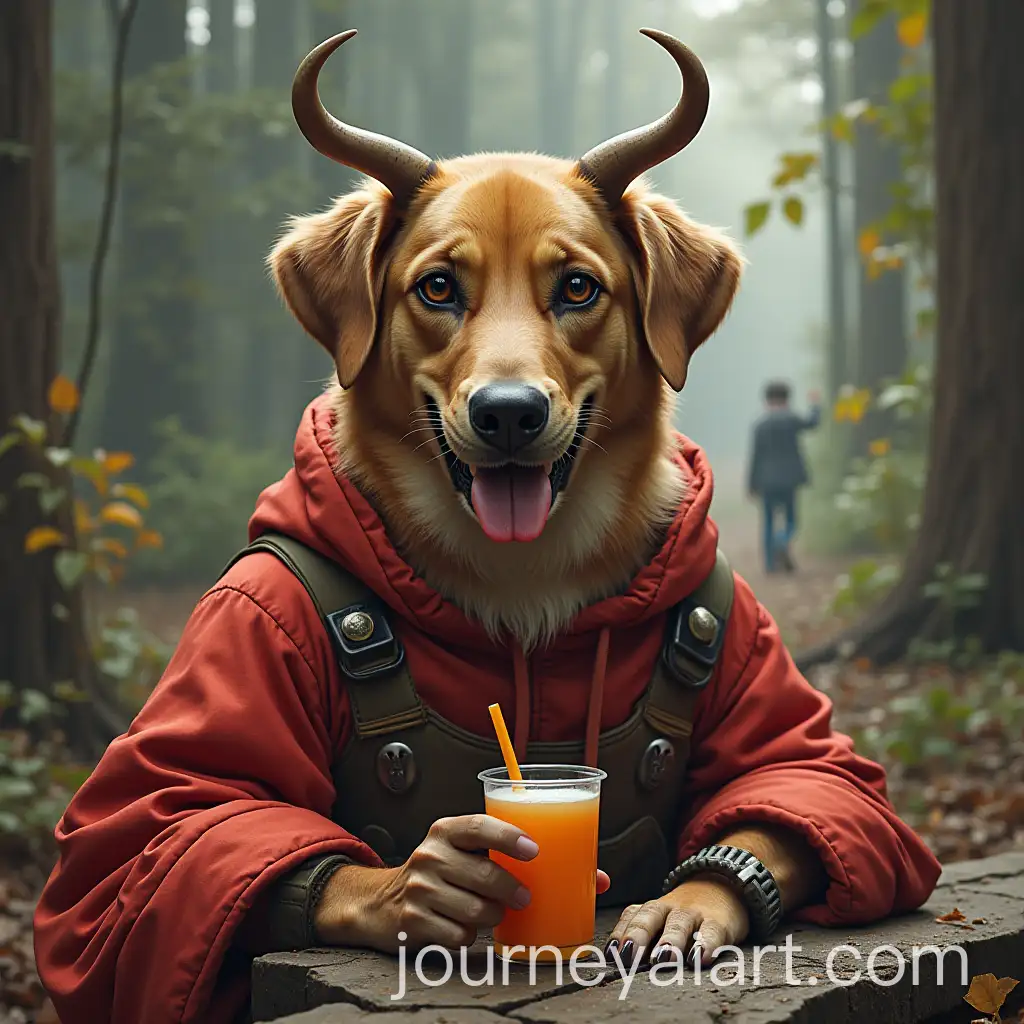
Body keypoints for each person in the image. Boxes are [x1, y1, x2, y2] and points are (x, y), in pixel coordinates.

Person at [747, 381, 821, 573]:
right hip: (790, 480)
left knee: (768, 522)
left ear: (766, 400)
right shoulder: (791, 419)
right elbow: (812, 423)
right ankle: (782, 542)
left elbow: (755, 457)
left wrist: (751, 484)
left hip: (766, 481)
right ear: (787, 399)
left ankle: (770, 565)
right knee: (791, 520)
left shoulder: (760, 425)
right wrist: (815, 404)